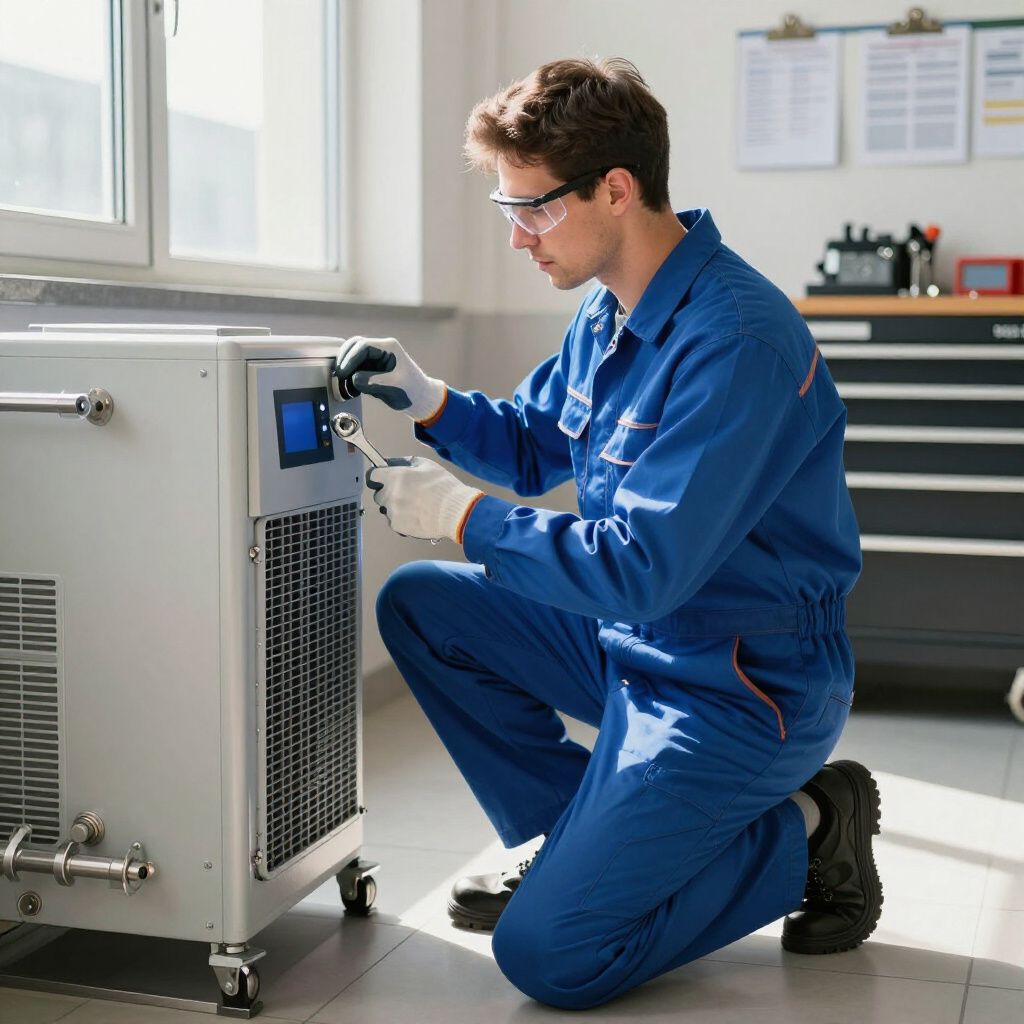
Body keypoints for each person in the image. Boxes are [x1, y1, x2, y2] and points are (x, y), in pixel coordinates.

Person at [333, 56, 882, 1010]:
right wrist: (426, 402)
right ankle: (570, 841)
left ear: (616, 190)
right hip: (638, 645)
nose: (517, 237)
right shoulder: (606, 313)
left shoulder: (738, 341)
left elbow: (642, 570)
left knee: (553, 956)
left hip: (746, 682)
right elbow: (533, 444)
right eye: (507, 210)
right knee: (420, 604)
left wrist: (461, 516)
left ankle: (811, 829)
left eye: (532, 208)